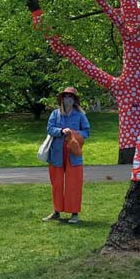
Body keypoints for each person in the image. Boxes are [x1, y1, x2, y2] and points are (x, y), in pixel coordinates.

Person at [42, 86, 91, 224]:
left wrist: (74, 133)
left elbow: (87, 132)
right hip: (56, 154)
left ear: (74, 100)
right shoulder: (55, 114)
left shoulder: (80, 115)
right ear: (61, 99)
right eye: (65, 96)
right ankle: (56, 211)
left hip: (73, 154)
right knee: (57, 183)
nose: (67, 99)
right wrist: (62, 131)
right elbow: (50, 129)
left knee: (74, 183)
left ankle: (74, 213)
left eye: (70, 97)